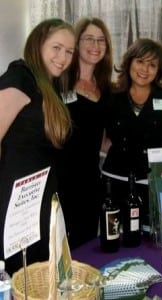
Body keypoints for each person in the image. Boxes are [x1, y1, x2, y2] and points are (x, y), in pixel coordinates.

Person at [0, 18, 75, 275]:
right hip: (14, 204)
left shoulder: (46, 85)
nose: (63, 57)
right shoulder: (21, 77)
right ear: (38, 43)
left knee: (39, 275)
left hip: (37, 200)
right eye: (57, 47)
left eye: (69, 52)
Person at [101, 38, 162, 232]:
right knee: (114, 239)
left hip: (151, 184)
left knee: (149, 241)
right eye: (140, 61)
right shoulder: (111, 95)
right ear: (129, 62)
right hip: (113, 182)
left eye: (152, 65)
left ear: (159, 70)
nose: (145, 69)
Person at [57, 17, 113, 249]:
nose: (95, 45)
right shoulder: (59, 82)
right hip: (61, 179)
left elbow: (105, 137)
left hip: (91, 180)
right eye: (89, 38)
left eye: (101, 40)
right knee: (60, 247)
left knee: (87, 245)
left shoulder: (107, 88)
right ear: (77, 42)